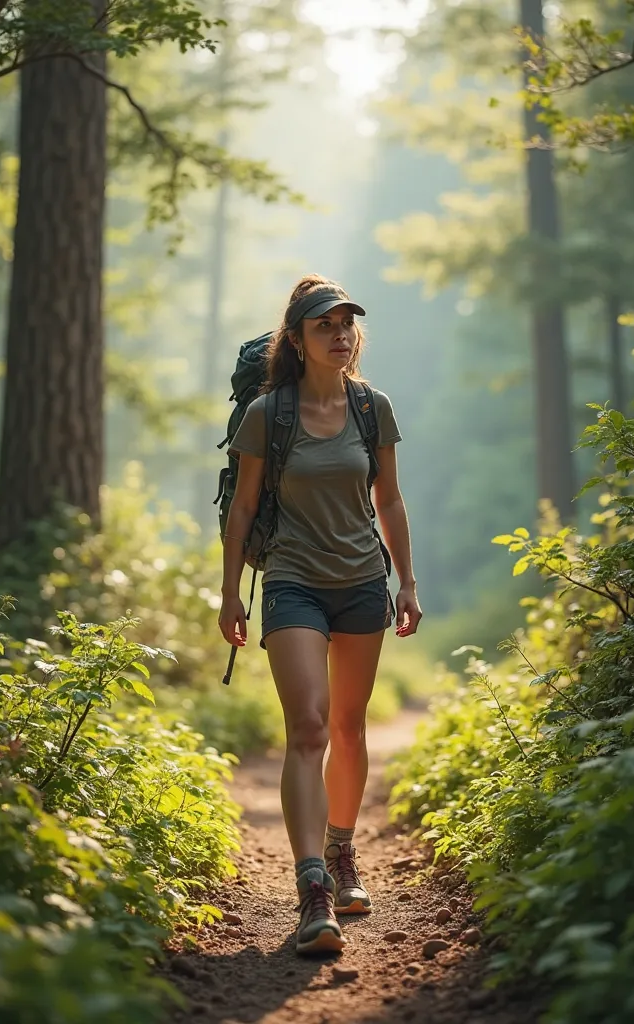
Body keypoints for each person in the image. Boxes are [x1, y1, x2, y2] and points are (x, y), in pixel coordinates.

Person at [218, 274, 422, 955]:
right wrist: (226, 595)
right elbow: (243, 509)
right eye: (324, 327)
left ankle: (342, 853)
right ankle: (312, 892)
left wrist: (409, 583)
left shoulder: (373, 408)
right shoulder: (268, 415)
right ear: (298, 343)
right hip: (294, 581)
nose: (340, 336)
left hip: (363, 579)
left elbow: (389, 501)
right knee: (307, 727)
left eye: (346, 325)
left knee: (349, 726)